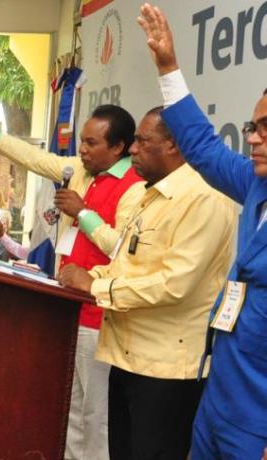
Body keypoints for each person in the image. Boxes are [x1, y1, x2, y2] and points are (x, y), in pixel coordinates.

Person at [0, 99, 144, 460]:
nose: (82, 150)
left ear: (118, 147)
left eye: (92, 144)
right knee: (69, 406)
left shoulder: (134, 188)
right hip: (67, 306)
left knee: (96, 414)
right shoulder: (82, 171)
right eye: (82, 142)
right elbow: (34, 158)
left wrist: (82, 213)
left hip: (101, 316)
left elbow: (122, 247)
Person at [57, 104, 237, 458]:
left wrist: (94, 286)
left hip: (167, 370)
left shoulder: (205, 197)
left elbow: (174, 284)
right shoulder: (142, 196)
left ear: (174, 144)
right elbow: (127, 262)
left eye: (142, 140)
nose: (133, 149)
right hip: (126, 357)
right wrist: (90, 275)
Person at [138, 4, 267, 457]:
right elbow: (203, 147)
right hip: (218, 399)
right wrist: (168, 67)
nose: (252, 138)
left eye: (266, 129)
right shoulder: (256, 183)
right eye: (254, 127)